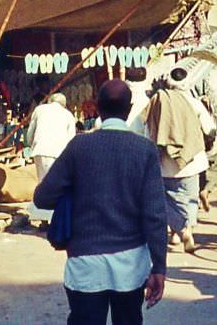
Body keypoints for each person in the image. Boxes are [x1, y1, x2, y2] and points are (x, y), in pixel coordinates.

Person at [34, 79, 167, 324]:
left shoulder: (79, 146)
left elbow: (42, 197)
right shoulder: (144, 150)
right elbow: (155, 215)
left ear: (97, 107)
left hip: (85, 263)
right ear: (129, 108)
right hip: (130, 264)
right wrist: (159, 266)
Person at [143, 67, 213, 253]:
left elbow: (146, 130)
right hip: (191, 160)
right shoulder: (194, 103)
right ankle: (187, 230)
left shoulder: (157, 101)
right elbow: (209, 128)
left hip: (164, 162)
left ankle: (175, 233)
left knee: (167, 198)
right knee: (188, 197)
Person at [26, 92, 76, 182]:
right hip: (58, 153)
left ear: (50, 101)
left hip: (39, 151)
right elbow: (71, 140)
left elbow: (30, 133)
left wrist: (31, 145)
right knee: (56, 183)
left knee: (42, 181)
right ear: (63, 105)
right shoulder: (69, 115)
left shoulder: (39, 109)